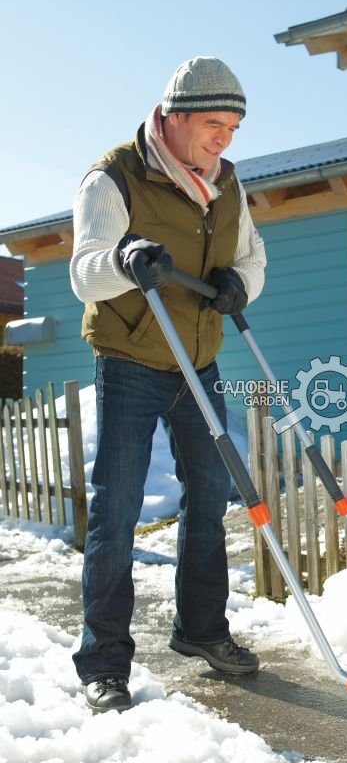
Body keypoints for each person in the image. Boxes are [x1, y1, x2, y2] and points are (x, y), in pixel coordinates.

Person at [70, 56, 267, 714]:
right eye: (213, 124)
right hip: (131, 358)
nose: (224, 139)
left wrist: (242, 283)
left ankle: (202, 630)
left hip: (198, 363)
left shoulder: (229, 185)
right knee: (118, 510)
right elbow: (84, 273)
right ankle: (103, 663)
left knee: (210, 495)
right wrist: (125, 258)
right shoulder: (114, 176)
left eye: (233, 128)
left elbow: (252, 258)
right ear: (175, 117)